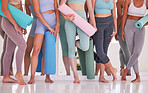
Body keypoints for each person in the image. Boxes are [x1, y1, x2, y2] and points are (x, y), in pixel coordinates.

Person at [60, 0, 96, 83]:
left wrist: (94, 24)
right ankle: (75, 75)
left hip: (82, 18)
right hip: (70, 19)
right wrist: (66, 17)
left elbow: (90, 9)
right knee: (71, 49)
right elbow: (62, 5)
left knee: (85, 46)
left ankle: (76, 43)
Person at [28, 0, 60, 84]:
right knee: (36, 50)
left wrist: (58, 24)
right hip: (41, 24)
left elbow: (56, 9)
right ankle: (32, 77)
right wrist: (48, 27)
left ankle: (48, 76)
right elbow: (37, 13)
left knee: (48, 51)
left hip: (53, 22)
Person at [121, 0, 148, 83]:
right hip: (128, 26)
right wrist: (122, 30)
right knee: (132, 52)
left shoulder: (146, 1)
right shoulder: (128, 1)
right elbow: (124, 15)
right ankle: (138, 76)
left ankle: (125, 70)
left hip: (140, 27)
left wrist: (145, 23)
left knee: (137, 52)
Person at [1, 0, 27, 85]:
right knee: (22, 45)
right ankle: (18, 73)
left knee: (9, 50)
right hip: (8, 22)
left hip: (17, 22)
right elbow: (5, 9)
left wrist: (22, 24)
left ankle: (6, 76)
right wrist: (15, 25)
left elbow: (20, 6)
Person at [92, 0, 117, 83]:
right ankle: (112, 69)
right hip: (98, 23)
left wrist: (115, 30)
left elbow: (114, 15)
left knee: (104, 51)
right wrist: (92, 25)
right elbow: (91, 11)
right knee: (99, 51)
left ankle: (102, 76)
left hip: (109, 24)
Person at [116, 0, 131, 76]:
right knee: (122, 48)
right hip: (131, 23)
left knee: (125, 48)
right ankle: (122, 67)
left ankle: (128, 71)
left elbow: (119, 16)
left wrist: (116, 30)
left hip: (123, 24)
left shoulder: (119, 2)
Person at [59, 0, 70, 76]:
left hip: (76, 18)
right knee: (65, 47)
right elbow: (61, 6)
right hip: (63, 19)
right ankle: (68, 72)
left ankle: (69, 72)